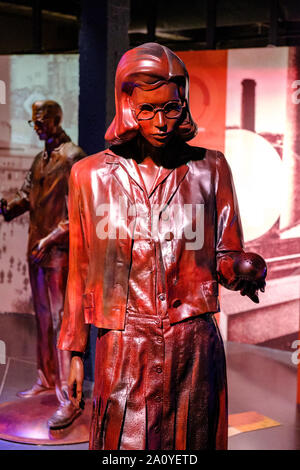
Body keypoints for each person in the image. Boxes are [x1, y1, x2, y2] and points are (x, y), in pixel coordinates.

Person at [58, 43, 266, 450]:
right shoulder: (88, 176)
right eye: (148, 109)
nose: (161, 122)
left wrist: (243, 268)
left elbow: (226, 253)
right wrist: (75, 350)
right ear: (126, 102)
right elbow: (79, 270)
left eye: (171, 108)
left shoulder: (211, 167)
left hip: (192, 346)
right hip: (121, 346)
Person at [0, 100, 86, 429]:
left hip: (58, 251)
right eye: (33, 120)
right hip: (35, 250)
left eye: (40, 120)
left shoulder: (73, 157)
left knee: (63, 323)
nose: (35, 125)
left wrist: (50, 239)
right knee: (43, 319)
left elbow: (78, 212)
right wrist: (6, 206)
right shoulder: (40, 159)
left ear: (54, 119)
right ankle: (46, 379)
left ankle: (68, 394)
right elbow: (26, 195)